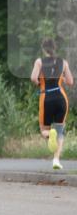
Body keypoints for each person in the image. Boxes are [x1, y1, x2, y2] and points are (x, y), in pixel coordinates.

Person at [30, 37, 73, 170]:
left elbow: (33, 78)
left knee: (44, 130)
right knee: (60, 130)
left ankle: (50, 134)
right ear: (55, 48)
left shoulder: (39, 62)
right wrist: (62, 78)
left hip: (46, 97)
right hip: (61, 98)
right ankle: (56, 160)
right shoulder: (63, 62)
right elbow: (70, 82)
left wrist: (39, 83)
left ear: (43, 49)